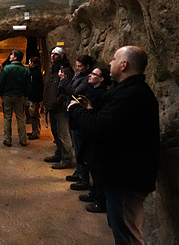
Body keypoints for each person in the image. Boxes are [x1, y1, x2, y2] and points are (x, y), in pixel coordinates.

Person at [68, 46, 160, 245]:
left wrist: (76, 110)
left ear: (124, 64)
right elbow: (112, 124)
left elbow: (100, 127)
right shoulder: (127, 92)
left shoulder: (131, 95)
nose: (110, 62)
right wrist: (91, 110)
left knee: (128, 233)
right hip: (120, 174)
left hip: (126, 178)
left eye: (114, 58)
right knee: (120, 227)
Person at [73, 67, 111, 213]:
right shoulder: (92, 90)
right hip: (88, 131)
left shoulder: (102, 95)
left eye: (94, 74)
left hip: (94, 134)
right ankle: (94, 194)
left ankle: (100, 201)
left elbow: (96, 116)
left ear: (101, 79)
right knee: (92, 166)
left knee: (97, 169)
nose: (90, 75)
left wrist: (85, 108)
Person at [59, 54, 94, 187]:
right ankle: (79, 171)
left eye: (80, 66)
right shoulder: (78, 75)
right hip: (72, 113)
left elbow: (74, 93)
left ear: (87, 67)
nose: (77, 68)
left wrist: (63, 81)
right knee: (75, 144)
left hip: (79, 115)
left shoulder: (86, 79)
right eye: (77, 66)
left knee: (80, 146)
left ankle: (83, 177)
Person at [43, 47, 74, 169]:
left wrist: (57, 101)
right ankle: (59, 153)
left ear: (61, 56)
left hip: (60, 108)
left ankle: (66, 158)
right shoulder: (54, 71)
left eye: (55, 55)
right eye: (51, 54)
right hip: (53, 107)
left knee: (63, 134)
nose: (52, 56)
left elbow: (66, 89)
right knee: (56, 133)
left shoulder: (65, 71)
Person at [0, 49, 30, 147]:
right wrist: (25, 94)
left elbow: (1, 83)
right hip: (19, 96)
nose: (10, 56)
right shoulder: (25, 70)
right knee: (20, 117)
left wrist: (1, 93)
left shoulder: (6, 69)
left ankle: (7, 139)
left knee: (7, 117)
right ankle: (23, 139)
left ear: (15, 57)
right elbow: (27, 85)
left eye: (11, 55)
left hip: (7, 96)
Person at [26, 56, 44, 140]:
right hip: (34, 97)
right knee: (33, 115)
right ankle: (34, 130)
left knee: (35, 115)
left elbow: (37, 87)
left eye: (30, 62)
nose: (29, 64)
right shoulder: (34, 72)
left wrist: (35, 98)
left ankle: (36, 132)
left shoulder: (35, 73)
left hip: (35, 98)